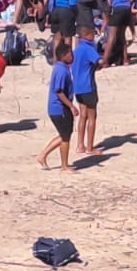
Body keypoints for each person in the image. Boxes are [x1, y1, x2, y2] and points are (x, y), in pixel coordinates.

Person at [39, 40, 78, 172]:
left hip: (58, 108)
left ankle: (43, 155)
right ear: (64, 56)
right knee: (65, 137)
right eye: (70, 54)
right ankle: (64, 166)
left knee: (64, 135)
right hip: (59, 108)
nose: (72, 56)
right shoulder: (61, 70)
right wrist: (71, 106)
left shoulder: (62, 68)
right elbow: (59, 91)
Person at [72, 26, 102, 155]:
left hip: (77, 87)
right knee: (92, 117)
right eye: (93, 34)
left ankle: (80, 145)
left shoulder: (77, 49)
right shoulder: (88, 48)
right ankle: (90, 147)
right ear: (88, 35)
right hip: (88, 86)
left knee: (83, 116)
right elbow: (100, 60)